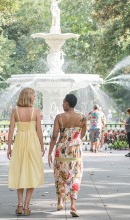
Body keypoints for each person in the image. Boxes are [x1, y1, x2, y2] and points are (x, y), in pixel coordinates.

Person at [7, 88, 45, 216]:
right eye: (34, 96)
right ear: (28, 97)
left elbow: (11, 131)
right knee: (32, 172)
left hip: (19, 142)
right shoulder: (35, 111)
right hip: (32, 143)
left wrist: (8, 147)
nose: (35, 98)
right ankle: (27, 206)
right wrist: (42, 145)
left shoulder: (15, 111)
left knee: (19, 171)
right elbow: (39, 131)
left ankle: (19, 205)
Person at [48, 94, 87, 218]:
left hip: (61, 151)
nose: (62, 104)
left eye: (63, 102)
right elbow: (82, 134)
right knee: (75, 176)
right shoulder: (82, 118)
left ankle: (60, 202)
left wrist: (49, 152)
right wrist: (75, 140)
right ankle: (73, 205)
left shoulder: (59, 117)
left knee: (59, 175)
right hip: (75, 151)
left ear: (67, 103)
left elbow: (54, 136)